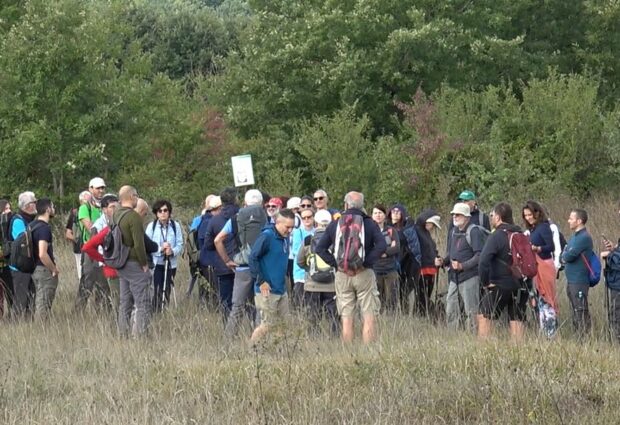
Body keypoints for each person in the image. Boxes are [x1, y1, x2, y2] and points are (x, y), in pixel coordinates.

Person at [316, 191, 387, 343]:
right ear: (362, 206)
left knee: (347, 318)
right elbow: (382, 245)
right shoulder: (369, 223)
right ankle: (368, 354)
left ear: (346, 204)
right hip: (364, 274)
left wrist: (337, 264)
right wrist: (366, 263)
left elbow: (319, 249)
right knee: (369, 316)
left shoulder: (335, 223)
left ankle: (348, 355)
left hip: (342, 275)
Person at [215, 189, 267, 338]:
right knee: (260, 306)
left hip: (242, 266)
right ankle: (258, 341)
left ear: (244, 203)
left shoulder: (235, 219)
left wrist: (227, 261)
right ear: (262, 203)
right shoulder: (268, 218)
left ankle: (228, 340)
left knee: (237, 306)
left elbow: (217, 240)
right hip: (262, 267)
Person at [478, 202, 529, 342]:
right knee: (516, 318)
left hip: (498, 284)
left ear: (498, 217)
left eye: (492, 215)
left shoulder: (496, 236)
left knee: (484, 316)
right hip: (520, 285)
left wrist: (485, 283)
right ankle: (519, 351)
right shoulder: (521, 234)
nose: (491, 218)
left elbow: (483, 261)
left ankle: (484, 350)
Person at [249, 209, 296, 342]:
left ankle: (280, 352)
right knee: (267, 324)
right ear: (278, 222)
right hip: (267, 289)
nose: (290, 230)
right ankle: (252, 349)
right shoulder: (267, 236)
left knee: (284, 324)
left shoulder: (285, 238)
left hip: (281, 289)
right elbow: (253, 258)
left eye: (292, 227)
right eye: (287, 227)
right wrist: (261, 280)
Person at [114, 186, 152, 337]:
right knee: (143, 303)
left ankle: (122, 335)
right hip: (134, 263)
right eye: (136, 196)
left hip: (121, 263)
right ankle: (140, 337)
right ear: (131, 196)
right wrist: (144, 264)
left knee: (125, 303)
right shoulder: (133, 217)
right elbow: (139, 243)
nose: (137, 198)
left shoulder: (116, 214)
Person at [297, 209, 339, 335]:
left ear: (316, 223)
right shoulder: (335, 239)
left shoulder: (307, 240)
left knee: (313, 315)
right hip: (332, 285)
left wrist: (310, 270)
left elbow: (299, 261)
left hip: (312, 285)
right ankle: (335, 339)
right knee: (334, 316)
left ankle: (314, 339)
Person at [443, 203, 484, 332]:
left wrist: (462, 266)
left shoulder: (474, 231)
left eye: (458, 214)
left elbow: (479, 255)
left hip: (469, 276)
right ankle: (452, 336)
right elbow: (451, 252)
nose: (455, 217)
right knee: (450, 308)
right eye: (454, 214)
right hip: (454, 278)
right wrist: (443, 261)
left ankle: (472, 337)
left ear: (466, 216)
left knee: (471, 310)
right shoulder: (454, 231)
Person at [522, 201, 558, 338]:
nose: (528, 218)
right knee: (538, 302)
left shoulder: (544, 227)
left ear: (537, 213)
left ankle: (550, 334)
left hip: (544, 265)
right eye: (525, 215)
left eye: (530, 214)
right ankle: (544, 333)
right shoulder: (532, 229)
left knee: (547, 300)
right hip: (535, 268)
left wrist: (538, 248)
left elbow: (551, 247)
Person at [81, 194, 122, 311]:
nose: (116, 209)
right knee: (104, 296)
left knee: (115, 297)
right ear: (104, 209)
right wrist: (103, 259)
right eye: (112, 207)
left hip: (118, 265)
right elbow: (89, 247)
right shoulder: (98, 225)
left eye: (117, 206)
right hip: (103, 266)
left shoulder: (118, 222)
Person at [75, 177, 109, 312]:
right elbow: (90, 227)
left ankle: (102, 311)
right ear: (91, 189)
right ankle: (79, 311)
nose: (101, 190)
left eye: (102, 188)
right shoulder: (85, 207)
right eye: (98, 188)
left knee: (104, 281)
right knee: (87, 279)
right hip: (90, 249)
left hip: (105, 249)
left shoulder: (106, 205)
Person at [204, 189, 239, 319]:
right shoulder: (243, 216)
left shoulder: (214, 220)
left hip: (223, 265)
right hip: (242, 264)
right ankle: (249, 329)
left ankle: (228, 329)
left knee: (226, 300)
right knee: (247, 300)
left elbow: (208, 244)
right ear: (236, 199)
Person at [561, 208, 594, 336]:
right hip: (572, 281)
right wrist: (565, 255)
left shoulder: (584, 237)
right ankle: (578, 336)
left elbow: (569, 255)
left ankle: (584, 338)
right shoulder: (575, 237)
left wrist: (565, 255)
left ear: (579, 221)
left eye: (571, 218)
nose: (569, 221)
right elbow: (564, 254)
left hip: (579, 280)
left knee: (581, 310)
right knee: (574, 310)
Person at [146, 200, 184, 312]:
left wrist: (172, 251)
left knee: (167, 288)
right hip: (156, 263)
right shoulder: (151, 227)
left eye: (165, 210)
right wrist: (160, 248)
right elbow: (147, 245)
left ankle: (164, 309)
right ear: (156, 213)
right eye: (160, 211)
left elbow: (180, 243)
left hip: (171, 264)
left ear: (169, 212)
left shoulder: (175, 226)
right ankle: (155, 311)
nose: (163, 213)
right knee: (156, 288)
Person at [8, 191, 38, 318]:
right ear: (26, 206)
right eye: (34, 202)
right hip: (19, 267)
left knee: (30, 296)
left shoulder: (28, 219)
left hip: (27, 266)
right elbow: (24, 241)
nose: (36, 205)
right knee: (21, 298)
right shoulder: (18, 221)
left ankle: (28, 324)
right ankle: (17, 326)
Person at [387, 203, 420, 313]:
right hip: (390, 262)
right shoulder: (386, 227)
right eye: (393, 211)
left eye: (398, 212)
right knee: (390, 292)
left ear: (402, 214)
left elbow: (415, 247)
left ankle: (404, 314)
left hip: (407, 262)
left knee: (404, 291)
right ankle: (391, 315)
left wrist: (418, 262)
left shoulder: (408, 227)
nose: (395, 214)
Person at [31, 198, 60, 320]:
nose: (54, 209)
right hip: (44, 270)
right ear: (48, 209)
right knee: (43, 304)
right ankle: (41, 329)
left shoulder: (32, 225)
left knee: (39, 300)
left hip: (34, 268)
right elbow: (42, 253)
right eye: (52, 206)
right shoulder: (44, 228)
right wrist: (53, 269)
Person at [371, 204, 400, 313]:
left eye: (380, 213)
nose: (378, 215)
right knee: (377, 301)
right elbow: (369, 249)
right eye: (375, 213)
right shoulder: (370, 231)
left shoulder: (391, 230)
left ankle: (391, 324)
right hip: (375, 270)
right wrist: (387, 248)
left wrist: (384, 252)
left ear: (384, 215)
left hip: (390, 270)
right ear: (372, 216)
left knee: (392, 301)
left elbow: (397, 248)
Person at [414, 209, 443, 316]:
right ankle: (420, 317)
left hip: (430, 270)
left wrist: (437, 257)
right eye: (432, 224)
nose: (432, 227)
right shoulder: (416, 231)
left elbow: (431, 250)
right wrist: (432, 260)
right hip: (421, 270)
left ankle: (424, 315)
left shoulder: (426, 233)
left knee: (426, 297)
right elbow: (418, 252)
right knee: (421, 297)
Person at [290, 206, 315, 307]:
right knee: (300, 303)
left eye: (309, 217)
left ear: (313, 217)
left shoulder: (317, 231)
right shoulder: (298, 232)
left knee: (313, 304)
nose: (307, 220)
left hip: (314, 273)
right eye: (304, 218)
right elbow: (296, 251)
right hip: (300, 273)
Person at [65, 190, 91, 283]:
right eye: (87, 200)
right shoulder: (75, 213)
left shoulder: (94, 211)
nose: (89, 203)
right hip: (79, 247)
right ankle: (84, 294)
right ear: (81, 201)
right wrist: (77, 239)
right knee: (82, 274)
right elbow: (68, 233)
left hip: (90, 247)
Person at [0, 199, 14, 315]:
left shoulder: (10, 223)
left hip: (7, 265)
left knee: (11, 292)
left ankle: (12, 315)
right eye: (5, 209)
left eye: (9, 208)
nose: (8, 212)